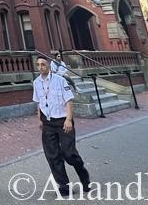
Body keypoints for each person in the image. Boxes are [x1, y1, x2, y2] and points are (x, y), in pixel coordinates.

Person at [33, 56, 92, 197]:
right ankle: (64, 186)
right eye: (38, 65)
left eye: (43, 64)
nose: (40, 67)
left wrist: (69, 119)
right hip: (47, 122)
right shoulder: (36, 82)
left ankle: (83, 174)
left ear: (49, 66)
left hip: (62, 121)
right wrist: (39, 120)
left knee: (69, 153)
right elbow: (38, 103)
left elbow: (69, 101)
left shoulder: (60, 80)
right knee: (53, 156)